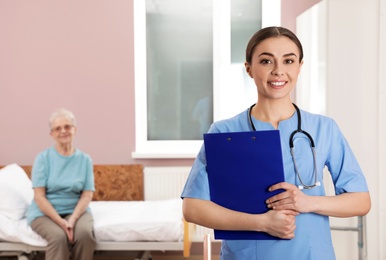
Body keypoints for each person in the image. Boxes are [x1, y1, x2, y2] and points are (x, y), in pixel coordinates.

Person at [181, 26, 371, 260]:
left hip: (311, 254)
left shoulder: (324, 128)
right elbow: (192, 208)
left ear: (300, 66)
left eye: (289, 61)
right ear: (249, 69)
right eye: (266, 61)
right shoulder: (224, 131)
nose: (278, 71)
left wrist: (307, 203)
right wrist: (262, 223)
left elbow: (361, 201)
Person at [27, 108, 96, 260]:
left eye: (67, 126)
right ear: (52, 134)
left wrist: (72, 220)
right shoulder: (42, 159)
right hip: (44, 213)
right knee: (58, 237)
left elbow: (87, 194)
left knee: (85, 235)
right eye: (58, 128)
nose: (63, 131)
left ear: (75, 130)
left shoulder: (85, 160)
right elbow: (39, 197)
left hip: (75, 210)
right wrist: (61, 222)